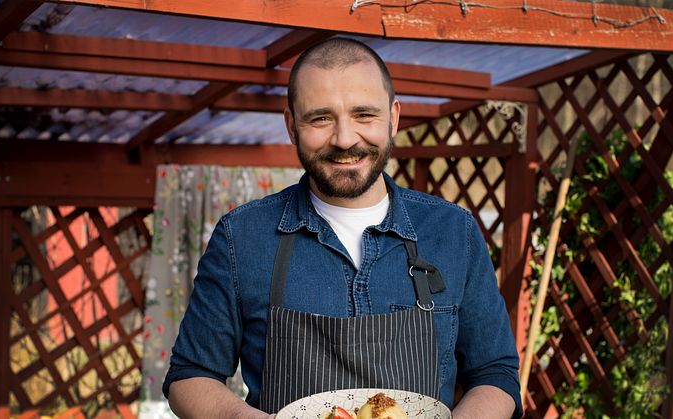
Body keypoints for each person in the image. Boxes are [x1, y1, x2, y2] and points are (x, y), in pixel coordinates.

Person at [163, 38, 522, 419]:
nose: (345, 139)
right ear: (291, 125)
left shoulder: (453, 231)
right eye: (321, 118)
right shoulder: (243, 235)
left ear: (393, 118)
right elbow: (190, 375)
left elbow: (495, 373)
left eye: (364, 115)